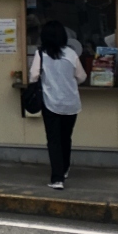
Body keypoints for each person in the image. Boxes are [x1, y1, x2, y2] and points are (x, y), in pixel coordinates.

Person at [30, 20, 85, 190]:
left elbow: (33, 77)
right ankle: (65, 169)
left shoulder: (41, 53)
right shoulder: (71, 54)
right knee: (65, 137)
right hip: (71, 103)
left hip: (51, 101)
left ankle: (57, 178)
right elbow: (82, 77)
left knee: (53, 140)